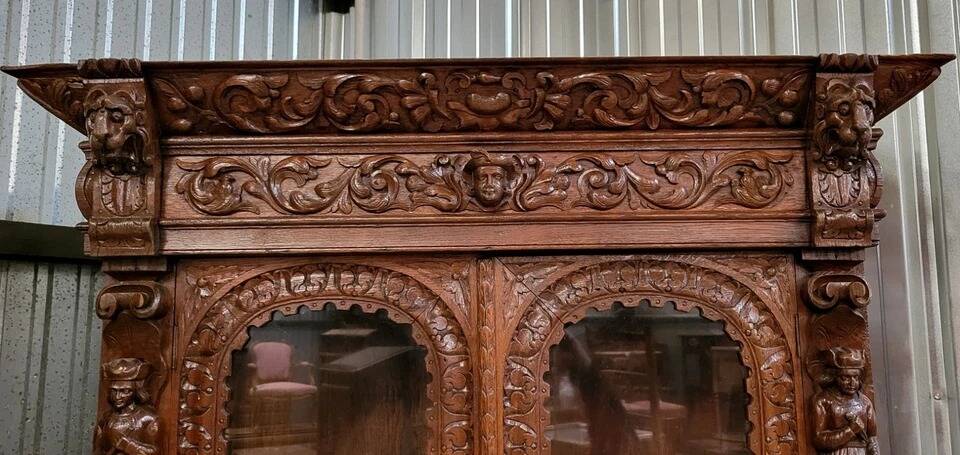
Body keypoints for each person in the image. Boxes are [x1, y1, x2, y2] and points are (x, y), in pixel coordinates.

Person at [812, 348, 879, 455]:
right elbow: (819, 439)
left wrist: (873, 449)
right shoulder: (824, 400)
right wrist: (850, 430)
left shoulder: (865, 402)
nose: (852, 383)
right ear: (834, 376)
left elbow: (872, 436)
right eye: (846, 377)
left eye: (856, 377)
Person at [95, 358, 159, 455]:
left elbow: (154, 452)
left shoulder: (148, 419)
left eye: (125, 391)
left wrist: (125, 444)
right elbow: (97, 449)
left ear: (136, 391)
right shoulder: (106, 418)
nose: (117, 397)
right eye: (114, 391)